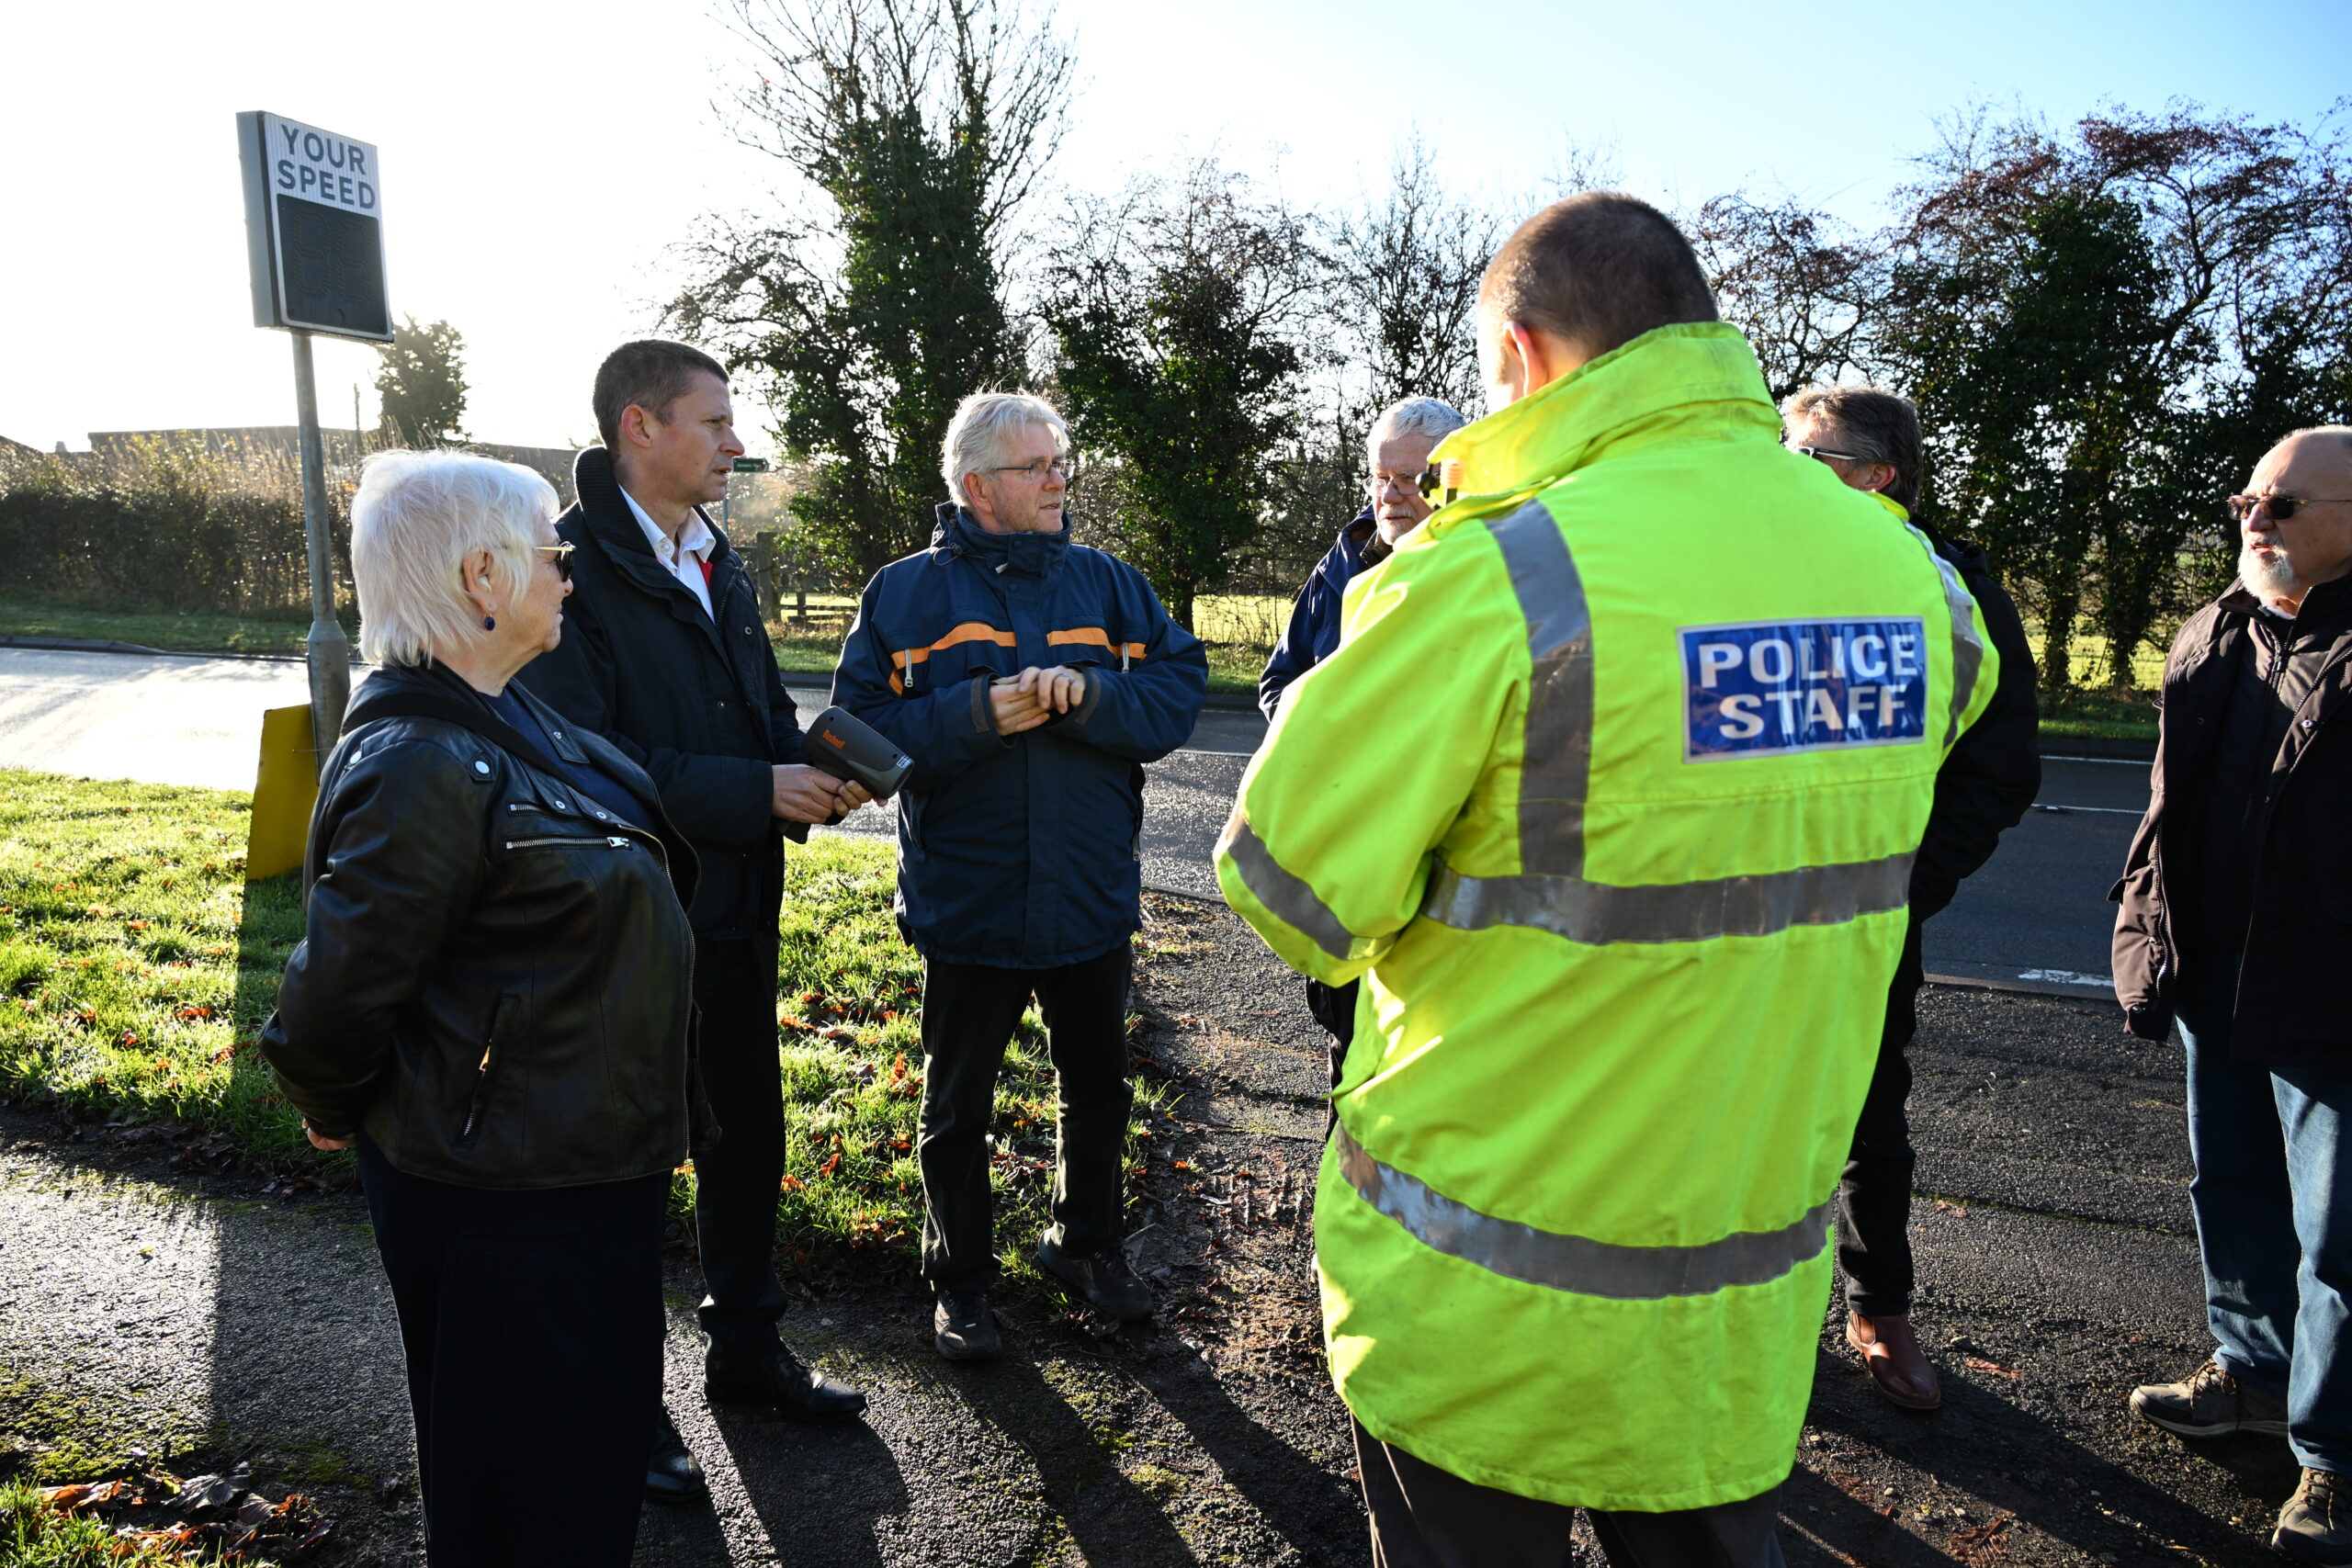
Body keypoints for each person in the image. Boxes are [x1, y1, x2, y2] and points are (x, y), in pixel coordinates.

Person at [1216, 193, 1998, 1565]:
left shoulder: (1495, 574)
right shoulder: (1911, 576)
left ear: (1520, 350)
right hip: (1735, 1304)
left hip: (1479, 1290)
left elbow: (1290, 888)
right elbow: (1940, 734)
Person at [260, 451, 700, 1567]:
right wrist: (330, 1099)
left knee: (581, 1461)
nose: (570, 577)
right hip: (504, 1199)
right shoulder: (421, 758)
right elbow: (334, 996)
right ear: (481, 577)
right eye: (554, 558)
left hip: (579, 1173)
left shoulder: (513, 726)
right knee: (523, 1492)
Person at [515, 341, 870, 1503]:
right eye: (715, 423)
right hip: (624, 921)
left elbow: (759, 713)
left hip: (731, 906)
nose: (734, 442)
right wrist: (751, 790)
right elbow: (583, 757)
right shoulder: (566, 567)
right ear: (638, 429)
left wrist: (816, 765)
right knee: (627, 1161)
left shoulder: (722, 558)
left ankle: (746, 1350)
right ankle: (625, 1406)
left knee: (744, 1129)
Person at [832, 390, 1207, 1363]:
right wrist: (973, 716)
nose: (1059, 479)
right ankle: (959, 1284)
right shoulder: (902, 595)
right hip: (970, 901)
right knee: (956, 1107)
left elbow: (1175, 695)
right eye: (1038, 466)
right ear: (976, 486)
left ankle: (1085, 1246)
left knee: (1097, 1086)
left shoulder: (1110, 585)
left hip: (1088, 894)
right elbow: (854, 742)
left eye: (1060, 462)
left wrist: (1090, 695)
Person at [2118, 426, 2352, 1565]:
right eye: (2247, 498)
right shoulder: (2213, 627)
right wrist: (2142, 924)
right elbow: (2168, 805)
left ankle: (2337, 1461)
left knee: (2344, 1239)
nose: (2256, 518)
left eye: (2286, 503)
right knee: (2236, 1191)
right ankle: (2251, 1375)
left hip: (2334, 994)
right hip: (2216, 972)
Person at [1781, 384, 2041, 1411]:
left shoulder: (1950, 588)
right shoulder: (1746, 572)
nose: (1785, 472)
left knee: (1865, 1121)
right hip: (1725, 916)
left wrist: (1901, 887)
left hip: (1868, 921)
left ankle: (1879, 1311)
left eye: (1813, 456)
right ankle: (1740, 1314)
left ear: (1881, 473)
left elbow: (1997, 769)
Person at [1259, 395, 1467, 1111]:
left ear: (1457, 477)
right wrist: (1323, 732)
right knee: (1348, 1063)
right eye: (1380, 476)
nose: (1391, 494)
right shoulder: (1342, 562)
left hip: (1446, 883)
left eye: (1412, 478)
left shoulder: (1484, 568)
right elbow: (1277, 682)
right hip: (1348, 864)